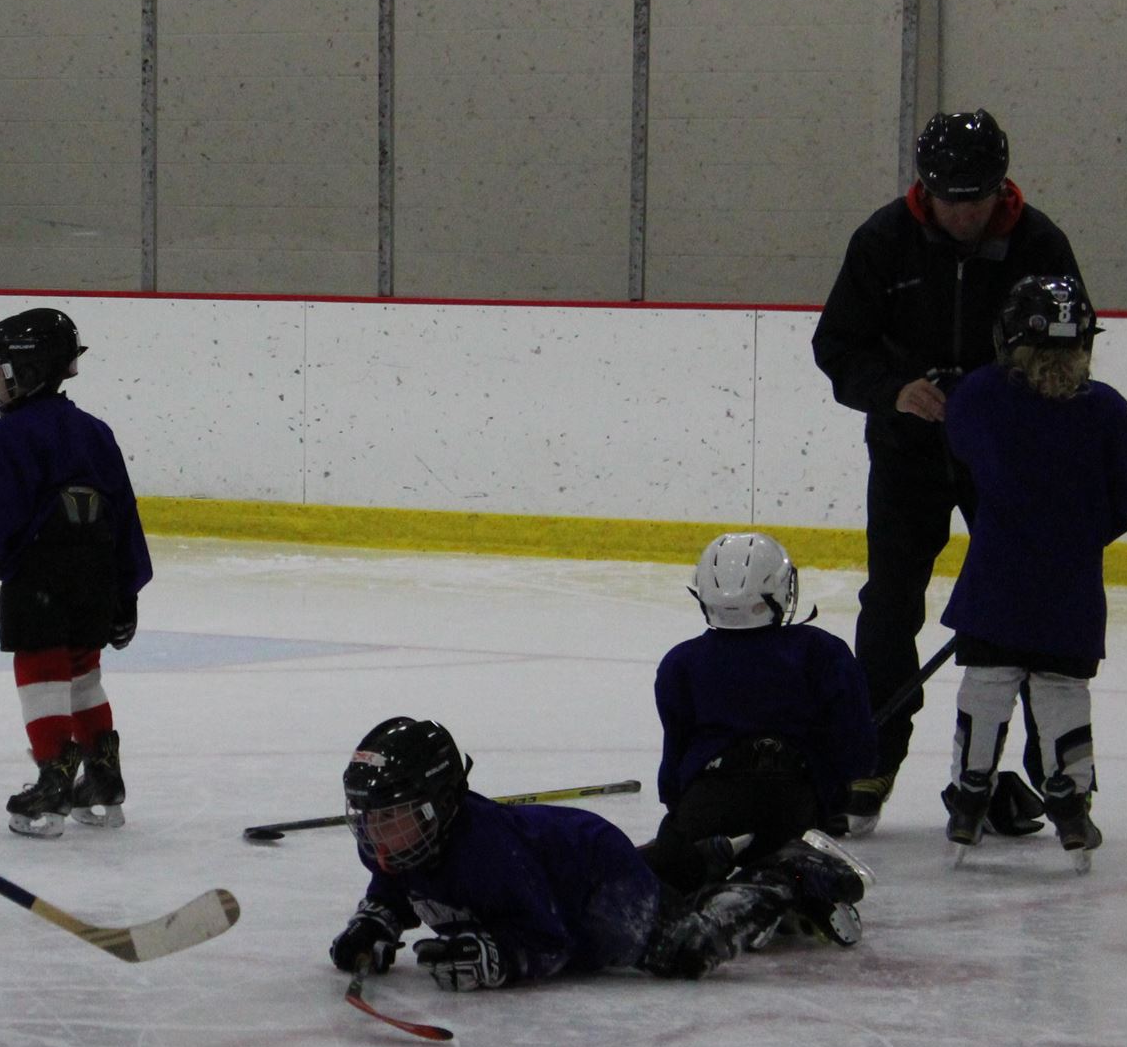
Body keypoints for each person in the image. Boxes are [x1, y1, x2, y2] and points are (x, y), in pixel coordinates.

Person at [813, 110, 1086, 833]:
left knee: (1028, 605)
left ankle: (1051, 767)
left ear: (1002, 186)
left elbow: (1069, 351)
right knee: (890, 603)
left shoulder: (1040, 244)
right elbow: (837, 346)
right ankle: (873, 755)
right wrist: (894, 391)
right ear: (924, 188)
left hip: (1006, 460)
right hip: (908, 454)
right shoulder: (882, 241)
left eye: (979, 199)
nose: (964, 214)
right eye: (949, 199)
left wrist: (1007, 400)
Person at [325, 717, 868, 993]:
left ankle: (789, 871)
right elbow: (394, 887)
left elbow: (550, 939)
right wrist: (375, 923)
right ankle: (704, 858)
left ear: (441, 805)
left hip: (597, 882)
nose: (377, 837)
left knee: (684, 950)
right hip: (563, 869)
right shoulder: (402, 847)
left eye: (393, 818)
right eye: (369, 819)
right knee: (666, 885)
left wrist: (497, 958)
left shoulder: (486, 853)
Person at [938, 275, 1127, 863]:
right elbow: (1120, 507)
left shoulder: (981, 394)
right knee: (1061, 691)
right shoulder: (1108, 409)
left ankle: (970, 793)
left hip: (994, 584)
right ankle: (1071, 803)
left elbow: (964, 451)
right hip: (1070, 592)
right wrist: (1068, 539)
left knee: (987, 684)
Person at [0, 307, 153, 836]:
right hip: (97, 579)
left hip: (40, 579)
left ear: (29, 369)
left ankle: (54, 781)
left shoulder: (1, 439)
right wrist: (127, 592)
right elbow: (124, 511)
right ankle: (103, 776)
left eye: (0, 369)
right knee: (83, 669)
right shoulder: (96, 432)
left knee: (41, 667)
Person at [655, 532, 877, 854]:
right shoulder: (821, 651)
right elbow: (857, 754)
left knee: (673, 868)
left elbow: (674, 763)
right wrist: (832, 795)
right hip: (793, 808)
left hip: (706, 805)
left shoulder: (681, 662)